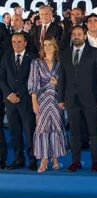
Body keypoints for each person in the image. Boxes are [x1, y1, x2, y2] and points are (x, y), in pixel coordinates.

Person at [58, 25, 97, 172]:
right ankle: (75, 162)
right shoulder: (64, 54)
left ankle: (95, 163)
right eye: (74, 34)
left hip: (90, 98)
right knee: (75, 132)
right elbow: (62, 78)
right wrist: (61, 98)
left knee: (93, 132)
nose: (76, 36)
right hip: (71, 99)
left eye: (79, 34)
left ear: (85, 36)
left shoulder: (95, 53)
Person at [28, 37, 68, 172]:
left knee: (56, 127)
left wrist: (58, 84)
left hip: (57, 99)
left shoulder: (60, 63)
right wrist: (34, 102)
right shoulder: (36, 63)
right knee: (42, 128)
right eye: (45, 45)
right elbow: (33, 83)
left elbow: (66, 82)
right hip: (42, 100)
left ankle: (55, 158)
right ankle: (44, 159)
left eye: (50, 45)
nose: (48, 47)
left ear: (55, 47)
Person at [0, 32, 37, 170]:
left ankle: (32, 160)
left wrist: (19, 94)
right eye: (14, 42)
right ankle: (18, 159)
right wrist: (9, 94)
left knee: (29, 131)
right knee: (15, 132)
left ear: (25, 43)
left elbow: (33, 79)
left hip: (26, 100)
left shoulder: (32, 58)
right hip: (10, 102)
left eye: (19, 41)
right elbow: (1, 78)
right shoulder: (6, 57)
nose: (16, 44)